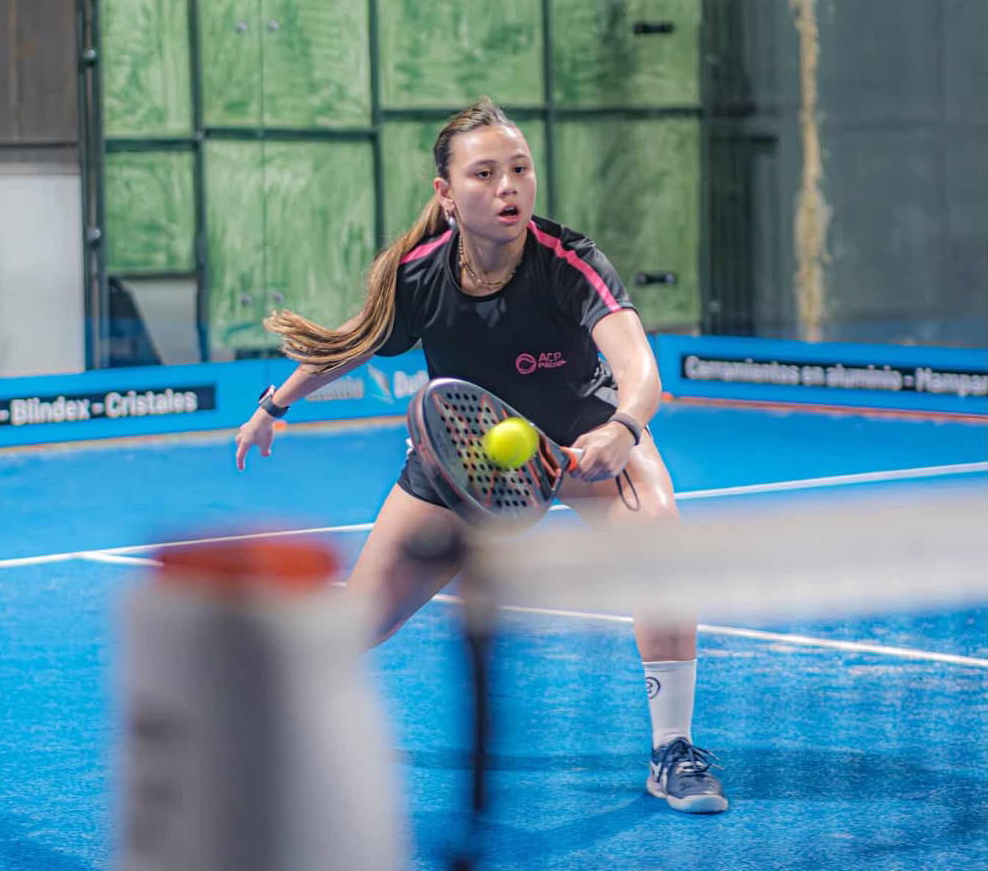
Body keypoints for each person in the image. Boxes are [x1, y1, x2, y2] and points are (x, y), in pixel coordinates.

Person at [234, 98, 727, 814]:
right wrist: (272, 407)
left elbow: (639, 367)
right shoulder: (420, 273)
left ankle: (672, 750)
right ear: (446, 192)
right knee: (361, 619)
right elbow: (354, 341)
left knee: (660, 545)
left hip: (579, 437)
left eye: (520, 170)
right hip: (465, 457)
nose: (508, 188)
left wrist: (622, 428)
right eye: (485, 173)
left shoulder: (568, 261)